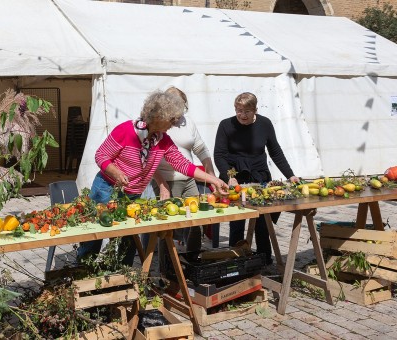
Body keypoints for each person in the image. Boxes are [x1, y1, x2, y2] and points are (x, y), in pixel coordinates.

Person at [77, 91, 229, 266]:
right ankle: (84, 272)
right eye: (171, 119)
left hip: (132, 195)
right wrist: (116, 173)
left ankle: (123, 278)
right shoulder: (126, 130)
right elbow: (101, 155)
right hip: (106, 188)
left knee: (129, 238)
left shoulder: (162, 140)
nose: (173, 124)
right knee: (97, 233)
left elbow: (183, 165)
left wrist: (213, 179)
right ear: (158, 116)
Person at [213, 92, 298, 265]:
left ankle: (264, 258)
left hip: (260, 176)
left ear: (255, 110)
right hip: (235, 177)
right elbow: (219, 155)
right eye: (238, 110)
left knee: (263, 221)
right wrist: (230, 176)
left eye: (246, 111)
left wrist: (290, 175)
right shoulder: (225, 125)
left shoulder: (265, 124)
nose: (242, 115)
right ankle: (235, 259)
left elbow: (275, 152)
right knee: (237, 222)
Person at [152, 86, 216, 253]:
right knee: (168, 224)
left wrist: (212, 176)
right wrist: (161, 183)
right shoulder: (160, 123)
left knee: (197, 220)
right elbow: (148, 158)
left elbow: (201, 150)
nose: (178, 110)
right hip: (166, 180)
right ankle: (167, 266)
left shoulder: (189, 122)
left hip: (188, 178)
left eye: (181, 105)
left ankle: (192, 258)